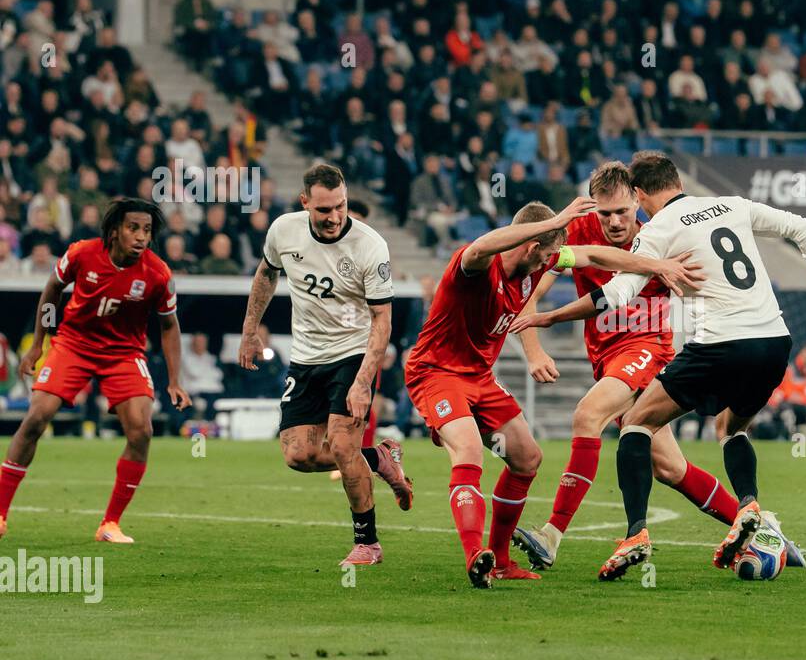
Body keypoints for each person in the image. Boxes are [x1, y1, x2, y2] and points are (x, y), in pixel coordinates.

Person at [511, 151, 806, 580]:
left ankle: (554, 534)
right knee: (670, 467)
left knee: (588, 416)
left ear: (638, 200)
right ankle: (764, 531)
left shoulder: (657, 234)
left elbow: (614, 292)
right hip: (635, 353)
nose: (615, 222)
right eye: (606, 213)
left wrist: (553, 316)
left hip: (647, 349)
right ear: (594, 208)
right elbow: (534, 286)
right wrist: (534, 349)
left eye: (623, 212)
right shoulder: (581, 230)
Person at [404, 196, 703, 588]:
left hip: (479, 376)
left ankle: (501, 560)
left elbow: (597, 257)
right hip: (436, 373)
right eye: (547, 253)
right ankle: (475, 555)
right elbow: (479, 246)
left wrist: (657, 265)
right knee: (471, 450)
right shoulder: (477, 266)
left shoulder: (537, 264)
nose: (553, 262)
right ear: (530, 246)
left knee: (527, 459)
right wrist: (560, 218)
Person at [237, 164, 412, 567]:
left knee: (344, 443)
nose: (334, 217)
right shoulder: (284, 230)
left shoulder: (370, 246)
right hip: (306, 357)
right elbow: (266, 274)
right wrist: (249, 332)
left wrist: (364, 381)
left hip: (352, 352)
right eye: (324, 210)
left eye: (340, 206)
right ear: (305, 204)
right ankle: (381, 458)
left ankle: (368, 543)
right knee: (298, 456)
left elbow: (382, 320)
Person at [0, 198, 192, 543]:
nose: (141, 237)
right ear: (115, 230)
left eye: (147, 230)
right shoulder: (81, 253)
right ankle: (0, 513)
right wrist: (37, 345)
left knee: (141, 431)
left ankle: (110, 524)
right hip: (73, 344)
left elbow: (169, 326)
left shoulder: (158, 273)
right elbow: (52, 291)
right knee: (36, 418)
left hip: (123, 353)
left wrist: (175, 380)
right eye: (133, 228)